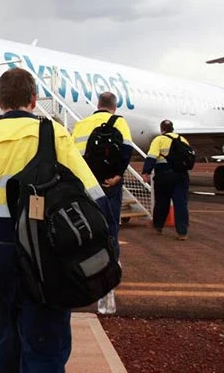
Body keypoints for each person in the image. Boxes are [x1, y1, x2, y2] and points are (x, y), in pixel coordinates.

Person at [0, 68, 117, 373]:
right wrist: (110, 251)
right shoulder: (55, 134)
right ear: (33, 99)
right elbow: (94, 197)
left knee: (7, 337)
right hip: (48, 255)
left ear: (0, 102)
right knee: (46, 343)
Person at [71, 91, 133, 313]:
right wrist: (117, 175)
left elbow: (73, 156)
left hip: (87, 185)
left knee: (86, 230)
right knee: (110, 229)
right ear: (114, 107)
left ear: (97, 105)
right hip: (110, 185)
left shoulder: (81, 124)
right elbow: (126, 150)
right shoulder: (119, 122)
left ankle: (85, 278)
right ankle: (108, 290)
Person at [140, 119, 191, 240]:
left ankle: (158, 226)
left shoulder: (159, 140)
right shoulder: (183, 139)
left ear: (161, 129)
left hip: (163, 175)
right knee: (181, 203)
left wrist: (146, 172)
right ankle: (182, 232)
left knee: (161, 202)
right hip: (181, 175)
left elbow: (151, 157)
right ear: (172, 128)